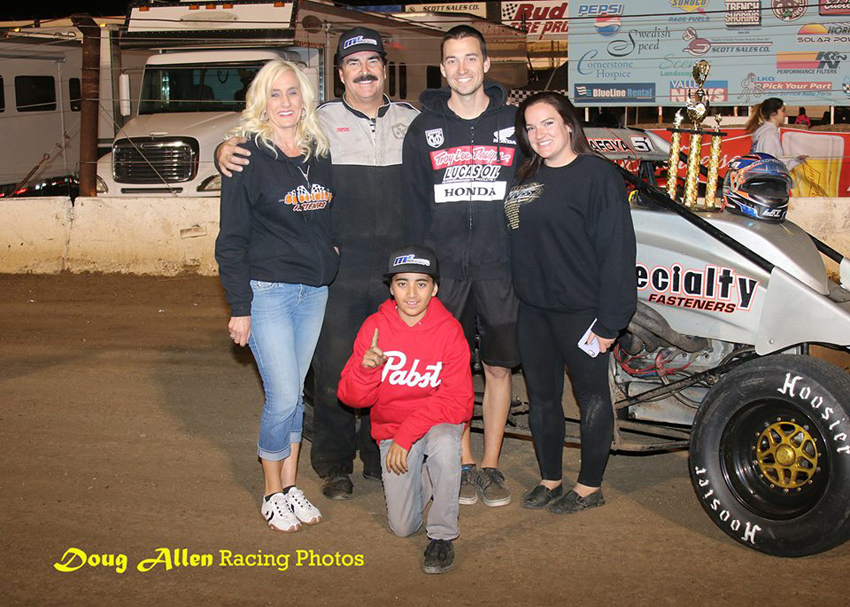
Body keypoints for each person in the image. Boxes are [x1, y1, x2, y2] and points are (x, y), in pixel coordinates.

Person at [217, 28, 419, 501]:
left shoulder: (412, 121)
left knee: (388, 368)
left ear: (385, 68)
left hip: (395, 273)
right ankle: (333, 464)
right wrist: (224, 148)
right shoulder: (321, 121)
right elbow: (264, 137)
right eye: (353, 63)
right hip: (337, 273)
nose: (364, 71)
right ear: (340, 73)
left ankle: (378, 454)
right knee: (332, 372)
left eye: (372, 61)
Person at [214, 59, 337, 532]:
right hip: (267, 292)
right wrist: (239, 307)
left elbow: (327, 216)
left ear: (305, 99)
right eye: (275, 93)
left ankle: (290, 485)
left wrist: (331, 251)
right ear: (261, 102)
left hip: (313, 292)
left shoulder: (318, 151)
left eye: (292, 92)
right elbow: (231, 241)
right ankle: (271, 492)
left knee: (294, 394)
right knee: (283, 396)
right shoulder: (245, 156)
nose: (285, 102)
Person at [403, 25, 521, 508]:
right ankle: (464, 461)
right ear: (442, 69)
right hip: (446, 271)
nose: (462, 68)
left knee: (497, 367)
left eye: (470, 58)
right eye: (452, 60)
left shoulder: (515, 122)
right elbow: (413, 206)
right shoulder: (422, 129)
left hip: (500, 268)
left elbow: (536, 186)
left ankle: (490, 465)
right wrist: (422, 272)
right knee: (451, 370)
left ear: (486, 64)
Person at [503, 92, 636, 514]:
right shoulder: (524, 174)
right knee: (542, 398)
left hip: (583, 312)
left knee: (591, 397)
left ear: (568, 124)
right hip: (534, 310)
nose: (539, 134)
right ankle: (550, 479)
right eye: (530, 127)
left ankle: (589, 486)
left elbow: (617, 251)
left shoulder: (598, 176)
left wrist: (610, 323)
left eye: (547, 123)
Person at [337, 245, 473, 574]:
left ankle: (442, 536)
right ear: (391, 288)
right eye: (402, 283)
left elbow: (458, 401)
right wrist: (366, 371)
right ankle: (431, 475)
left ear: (434, 288)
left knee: (445, 444)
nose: (411, 293)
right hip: (393, 429)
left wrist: (407, 435)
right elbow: (351, 399)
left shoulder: (449, 330)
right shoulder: (375, 327)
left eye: (421, 283)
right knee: (403, 526)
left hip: (434, 424)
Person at [745, 98, 807, 170]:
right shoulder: (769, 134)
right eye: (783, 110)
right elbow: (771, 163)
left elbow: (773, 159)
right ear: (773, 113)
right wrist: (795, 161)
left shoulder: (766, 132)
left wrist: (795, 160)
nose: (786, 114)